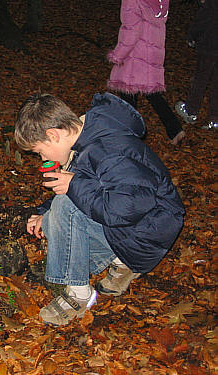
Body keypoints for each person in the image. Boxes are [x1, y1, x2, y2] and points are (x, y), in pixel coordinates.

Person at [14, 92, 184, 326]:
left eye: (39, 152)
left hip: (146, 234)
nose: (41, 158)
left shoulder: (109, 149)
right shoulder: (85, 139)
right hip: (136, 227)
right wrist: (45, 212)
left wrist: (72, 186)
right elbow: (88, 187)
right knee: (57, 213)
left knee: (64, 207)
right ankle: (121, 262)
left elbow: (125, 208)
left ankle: (79, 293)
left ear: (53, 135)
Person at [107, 0, 185, 145]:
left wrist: (118, 55)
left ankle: (129, 137)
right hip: (152, 52)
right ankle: (175, 130)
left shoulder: (132, 1)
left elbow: (131, 31)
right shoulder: (159, 2)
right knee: (152, 94)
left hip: (135, 54)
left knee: (128, 98)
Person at [174, 0, 217, 130]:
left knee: (200, 79)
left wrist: (192, 37)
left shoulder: (211, 4)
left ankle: (191, 111)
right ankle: (215, 118)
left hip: (209, 46)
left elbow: (201, 22)